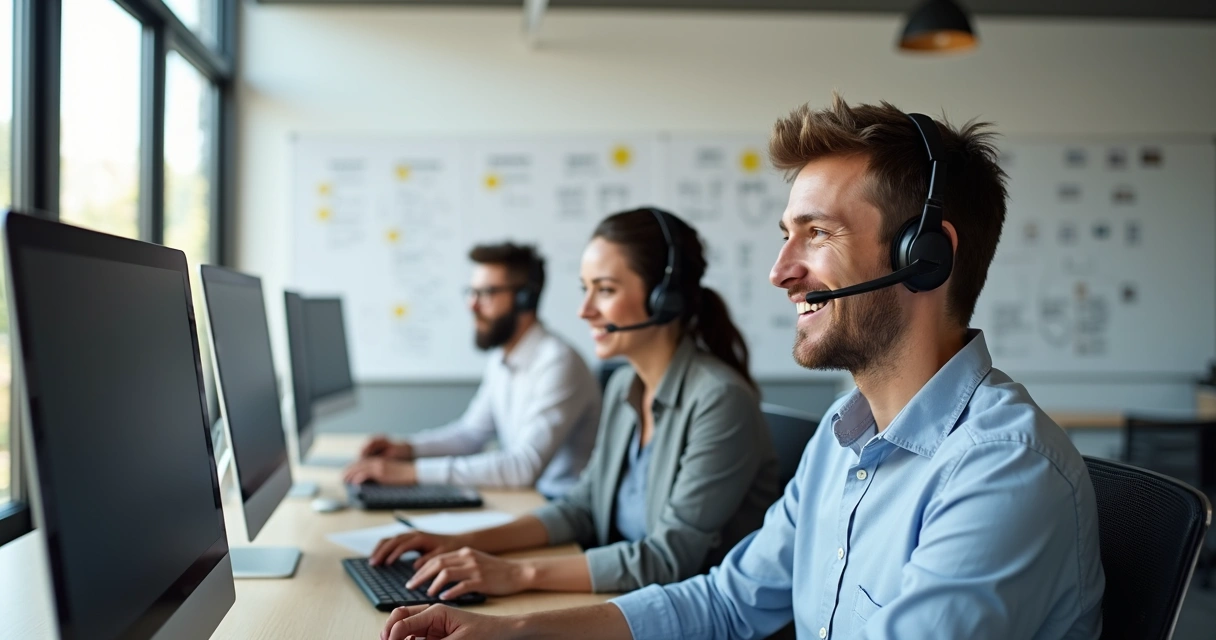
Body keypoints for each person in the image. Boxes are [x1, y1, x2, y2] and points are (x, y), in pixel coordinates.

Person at [378, 96, 1105, 640]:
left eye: (817, 234)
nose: (779, 271)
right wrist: (515, 632)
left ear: (925, 257)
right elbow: (728, 601)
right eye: (786, 235)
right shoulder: (843, 434)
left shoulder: (1001, 469)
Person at [367, 207, 781, 600]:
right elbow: (581, 507)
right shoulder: (625, 387)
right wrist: (461, 543)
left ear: (663, 298)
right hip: (628, 596)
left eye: (605, 290)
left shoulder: (719, 401)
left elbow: (667, 559)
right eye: (586, 290)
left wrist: (517, 574)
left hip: (691, 616)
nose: (584, 311)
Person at [343, 243, 600, 500]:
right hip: (529, 499)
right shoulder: (503, 358)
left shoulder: (558, 362)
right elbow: (471, 435)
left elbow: (523, 467)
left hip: (560, 504)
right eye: (471, 292)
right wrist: (406, 450)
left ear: (525, 299)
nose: (472, 305)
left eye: (486, 293)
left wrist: (411, 473)